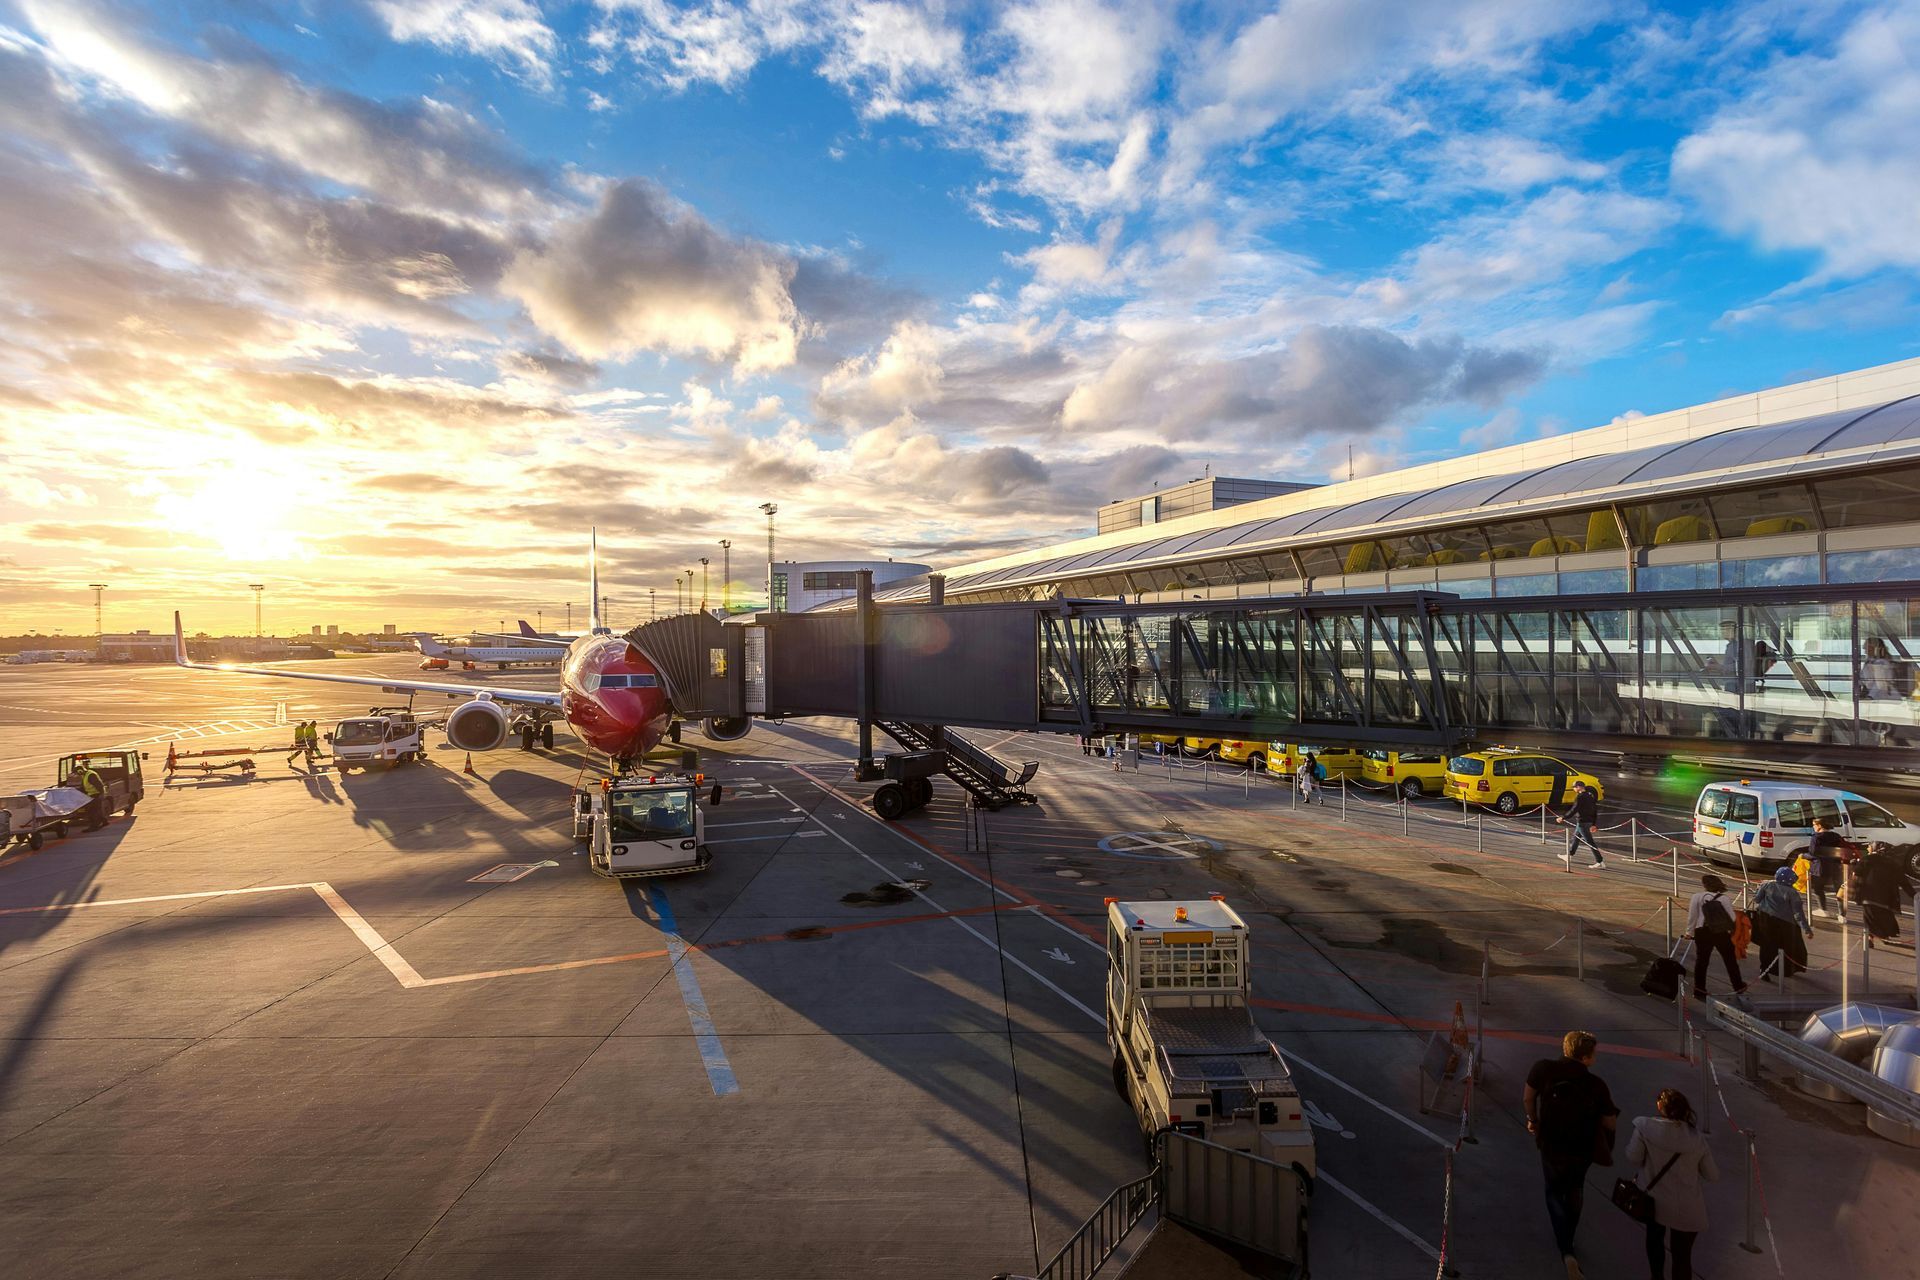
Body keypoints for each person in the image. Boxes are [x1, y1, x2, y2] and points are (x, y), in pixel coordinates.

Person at [1524, 1030, 1619, 1279]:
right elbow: (1610, 1121)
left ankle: (1566, 1250)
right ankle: (1570, 1239)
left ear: (1566, 1049)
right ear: (1586, 1058)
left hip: (1552, 1142)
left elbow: (1528, 1097)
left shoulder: (1543, 1068)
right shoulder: (1596, 1085)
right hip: (1583, 1147)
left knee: (1553, 1191)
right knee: (1576, 1188)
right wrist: (1606, 1141)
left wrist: (1533, 1120)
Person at [1623, 1087, 1718, 1280]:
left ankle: (1656, 1276)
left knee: (1654, 1242)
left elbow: (1633, 1157)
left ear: (1659, 1106)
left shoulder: (1643, 1127)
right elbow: (1712, 1175)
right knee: (1682, 1258)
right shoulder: (1697, 1140)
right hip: (1687, 1207)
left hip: (1654, 1202)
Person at [1684, 874, 1746, 999]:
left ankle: (1699, 990)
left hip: (1702, 931)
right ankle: (1738, 986)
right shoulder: (1724, 899)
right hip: (1720, 932)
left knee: (1702, 961)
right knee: (1730, 960)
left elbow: (1692, 916)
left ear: (1704, 885)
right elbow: (1732, 918)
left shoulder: (1696, 897)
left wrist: (1689, 932)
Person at [1751, 866, 1813, 981]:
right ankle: (1784, 970)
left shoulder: (1767, 885)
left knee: (1767, 945)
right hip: (1785, 924)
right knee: (1786, 947)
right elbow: (1798, 914)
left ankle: (1764, 969)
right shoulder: (1793, 893)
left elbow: (1757, 899)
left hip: (1764, 919)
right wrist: (1807, 929)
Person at [1854, 841, 1916, 945]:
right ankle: (1884, 936)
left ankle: (1870, 938)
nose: (1867, 848)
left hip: (1868, 895)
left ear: (1874, 848)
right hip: (1887, 898)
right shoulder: (1892, 863)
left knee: (1869, 917)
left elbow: (1856, 875)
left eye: (1869, 846)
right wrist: (1914, 895)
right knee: (1884, 916)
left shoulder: (1867, 859)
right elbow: (1904, 882)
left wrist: (1855, 891)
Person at [1807, 817, 1854, 919]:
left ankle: (1823, 910)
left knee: (1818, 889)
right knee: (1839, 891)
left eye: (1814, 825)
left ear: (1819, 826)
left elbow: (1813, 853)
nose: (1813, 827)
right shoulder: (1836, 836)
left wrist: (1803, 855)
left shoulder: (1816, 837)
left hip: (1820, 868)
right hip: (1836, 866)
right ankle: (1842, 915)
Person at [1557, 779, 1607, 869]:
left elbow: (1574, 809)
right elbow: (1595, 810)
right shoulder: (1590, 796)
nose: (1574, 789)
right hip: (1588, 821)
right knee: (1576, 838)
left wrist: (1563, 817)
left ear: (1579, 787)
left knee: (1590, 842)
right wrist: (1594, 823)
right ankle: (1569, 855)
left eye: (1575, 787)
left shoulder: (1580, 797)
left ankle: (1600, 861)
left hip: (1582, 822)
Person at [69, 762, 108, 831]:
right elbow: (84, 787)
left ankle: (94, 826)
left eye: (77, 773)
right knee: (97, 810)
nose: (77, 775)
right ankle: (104, 821)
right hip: (92, 795)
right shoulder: (85, 775)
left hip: (96, 794)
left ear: (80, 771)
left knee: (92, 811)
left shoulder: (90, 775)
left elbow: (99, 785)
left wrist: (101, 794)